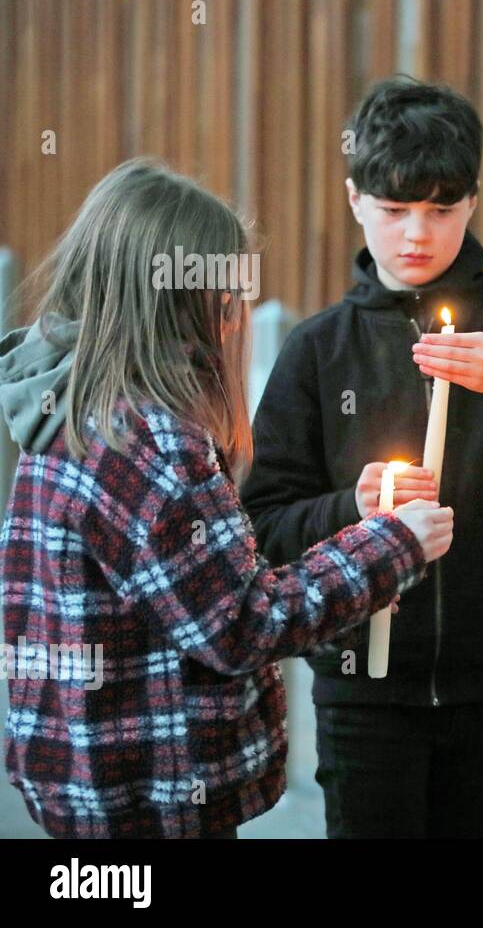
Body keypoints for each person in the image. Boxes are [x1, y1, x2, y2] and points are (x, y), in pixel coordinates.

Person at [0, 159, 450, 838]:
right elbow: (242, 624)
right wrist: (394, 544)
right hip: (156, 791)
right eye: (229, 290)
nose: (237, 312)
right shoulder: (150, 443)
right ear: (183, 296)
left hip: (83, 782)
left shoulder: (63, 403)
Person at [240, 76, 483, 838]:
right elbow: (260, 528)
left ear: (474, 203)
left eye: (441, 209)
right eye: (394, 210)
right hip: (357, 687)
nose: (417, 233)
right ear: (355, 200)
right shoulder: (319, 350)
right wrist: (353, 507)